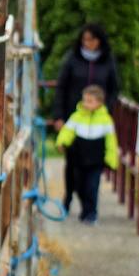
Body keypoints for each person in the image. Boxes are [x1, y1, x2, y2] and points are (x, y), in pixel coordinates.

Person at [55, 85, 119, 225]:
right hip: (79, 159)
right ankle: (84, 210)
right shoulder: (77, 117)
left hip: (95, 160)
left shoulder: (106, 120)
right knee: (79, 186)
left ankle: (91, 213)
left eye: (90, 101)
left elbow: (111, 142)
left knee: (92, 187)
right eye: (85, 100)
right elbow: (67, 131)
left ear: (99, 103)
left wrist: (112, 159)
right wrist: (61, 142)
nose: (86, 103)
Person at [52, 22, 120, 130]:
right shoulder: (72, 58)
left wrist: (105, 107)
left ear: (99, 40)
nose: (87, 43)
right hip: (72, 116)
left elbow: (114, 89)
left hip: (98, 119)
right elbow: (61, 87)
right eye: (84, 39)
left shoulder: (108, 60)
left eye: (91, 40)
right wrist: (58, 116)